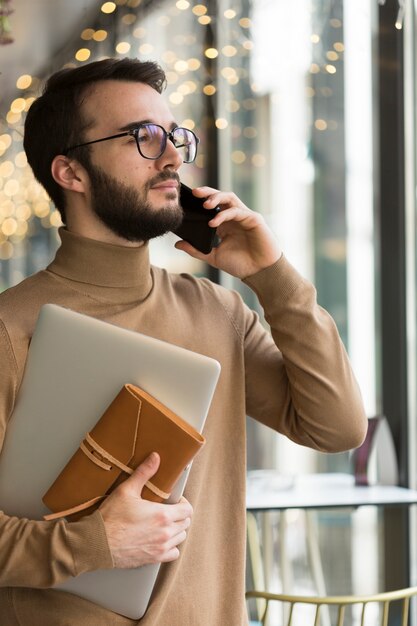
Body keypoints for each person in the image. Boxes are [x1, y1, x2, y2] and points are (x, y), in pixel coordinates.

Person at [0, 57, 367, 626]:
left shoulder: (218, 311)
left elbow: (336, 426)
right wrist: (90, 543)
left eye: (175, 135)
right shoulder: (8, 330)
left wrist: (271, 275)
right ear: (70, 173)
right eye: (144, 137)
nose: (173, 155)